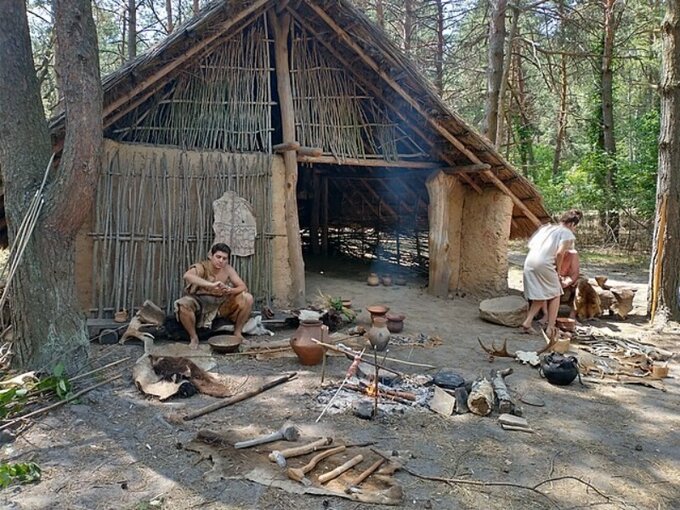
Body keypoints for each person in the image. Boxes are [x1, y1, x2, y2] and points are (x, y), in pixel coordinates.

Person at [174, 243, 254, 349]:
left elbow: (242, 286)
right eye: (218, 257)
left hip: (221, 304)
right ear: (211, 256)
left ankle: (237, 333)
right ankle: (194, 337)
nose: (221, 261)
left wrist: (230, 290)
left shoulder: (228, 270)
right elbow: (187, 276)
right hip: (200, 302)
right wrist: (211, 285)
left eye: (224, 258)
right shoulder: (201, 267)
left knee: (248, 298)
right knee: (183, 304)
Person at [520, 210, 582, 340]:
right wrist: (558, 272)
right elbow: (560, 253)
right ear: (572, 224)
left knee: (542, 293)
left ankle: (527, 322)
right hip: (545, 264)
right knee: (555, 293)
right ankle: (551, 327)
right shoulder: (567, 233)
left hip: (530, 262)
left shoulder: (545, 229)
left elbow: (531, 246)